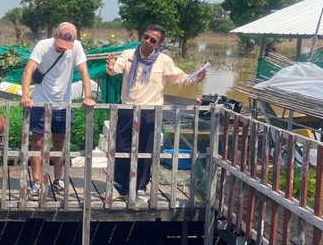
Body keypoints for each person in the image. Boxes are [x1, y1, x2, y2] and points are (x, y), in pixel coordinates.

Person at [105, 24, 208, 201]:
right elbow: (116, 70)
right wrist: (111, 66)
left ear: (158, 44)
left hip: (150, 111)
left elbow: (180, 79)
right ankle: (120, 188)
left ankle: (140, 188)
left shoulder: (164, 61)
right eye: (146, 37)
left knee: (146, 150)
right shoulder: (129, 55)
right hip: (128, 109)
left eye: (153, 40)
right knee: (122, 148)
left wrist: (195, 79)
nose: (147, 41)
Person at [21, 22, 96, 200]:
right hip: (40, 102)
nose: (63, 49)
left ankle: (58, 179)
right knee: (38, 142)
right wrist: (25, 96)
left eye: (66, 46)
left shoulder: (76, 47)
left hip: (63, 104)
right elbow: (28, 71)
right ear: (55, 35)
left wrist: (88, 96)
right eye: (61, 44)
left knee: (59, 143)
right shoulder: (43, 46)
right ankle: (37, 182)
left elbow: (84, 73)